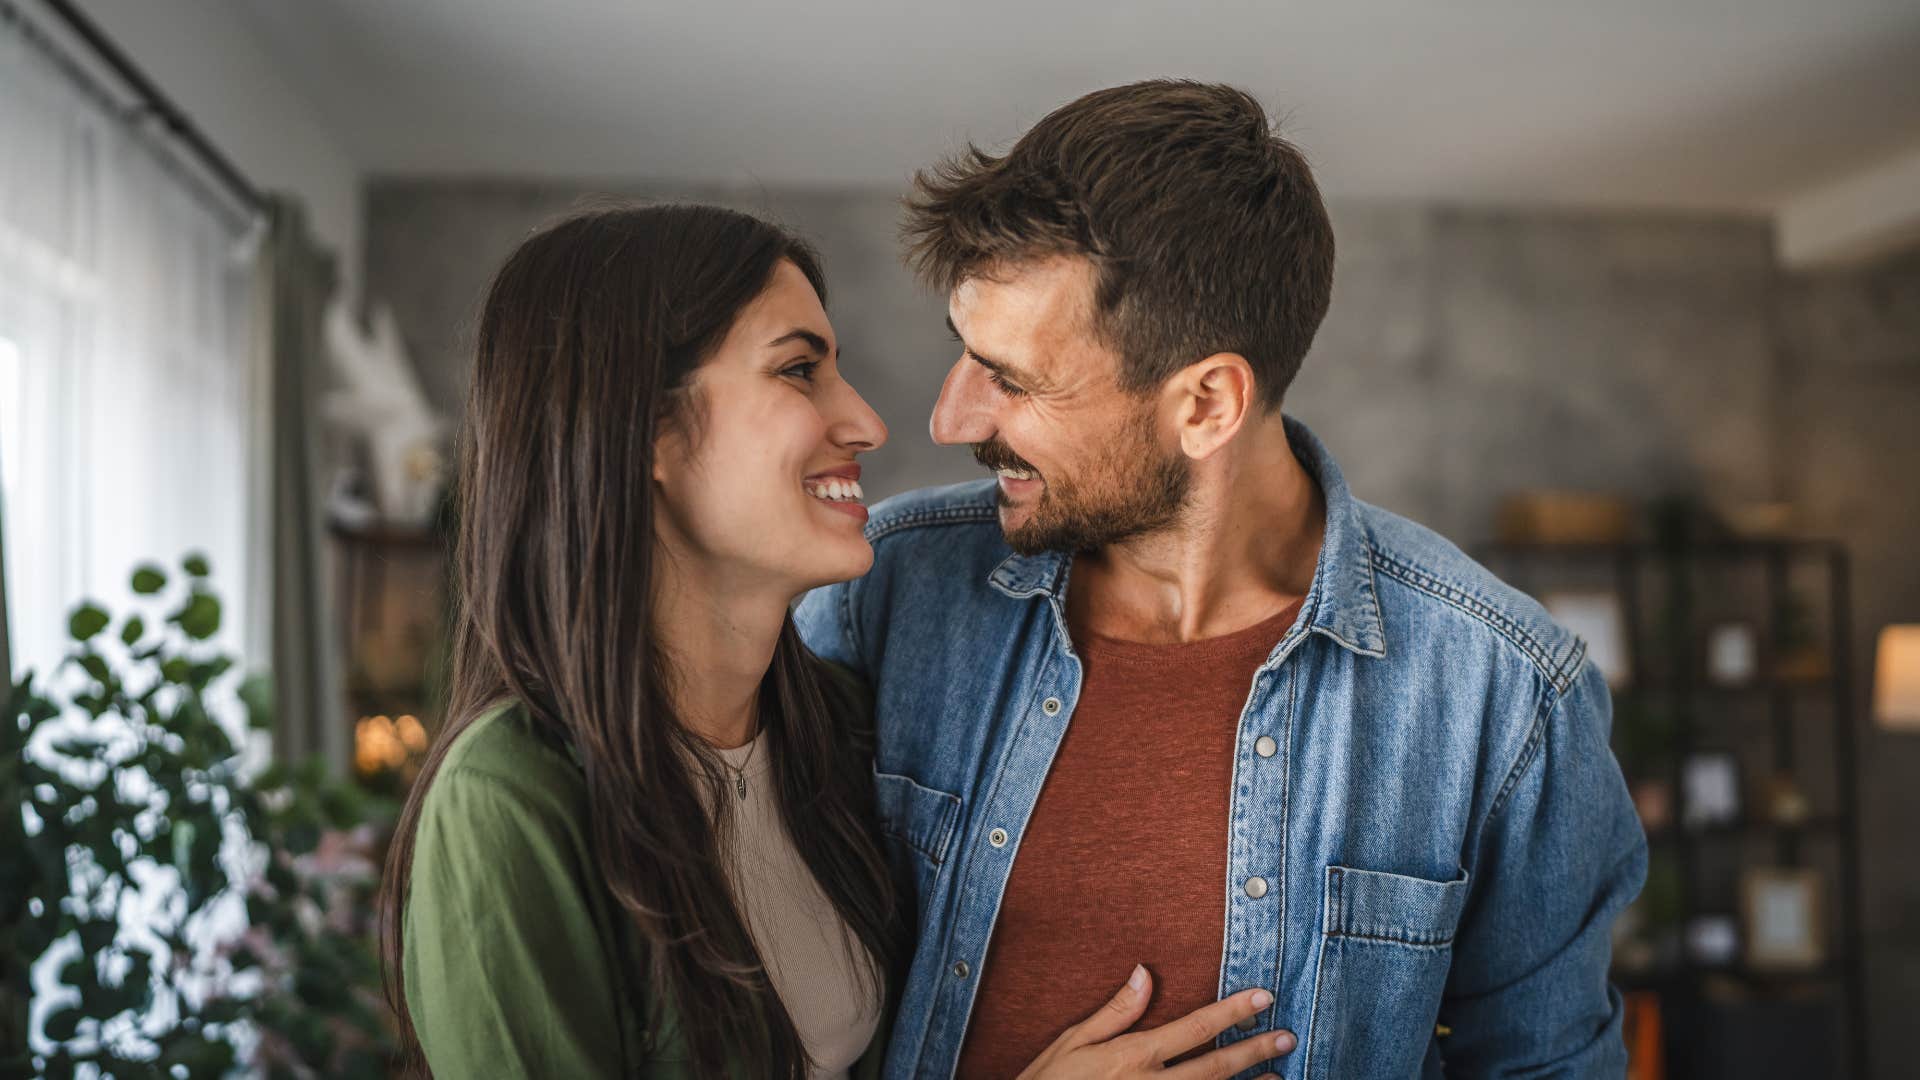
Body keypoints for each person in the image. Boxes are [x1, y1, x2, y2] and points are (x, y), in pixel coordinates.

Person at [796, 80, 1648, 1079]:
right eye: (967, 357)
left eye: (1012, 380)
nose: (952, 420)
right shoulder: (883, 591)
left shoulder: (1501, 694)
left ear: (1206, 404)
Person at [378, 203, 1284, 1079]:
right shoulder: (510, 797)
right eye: (797, 370)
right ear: (644, 426)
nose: (867, 423)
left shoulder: (835, 730)